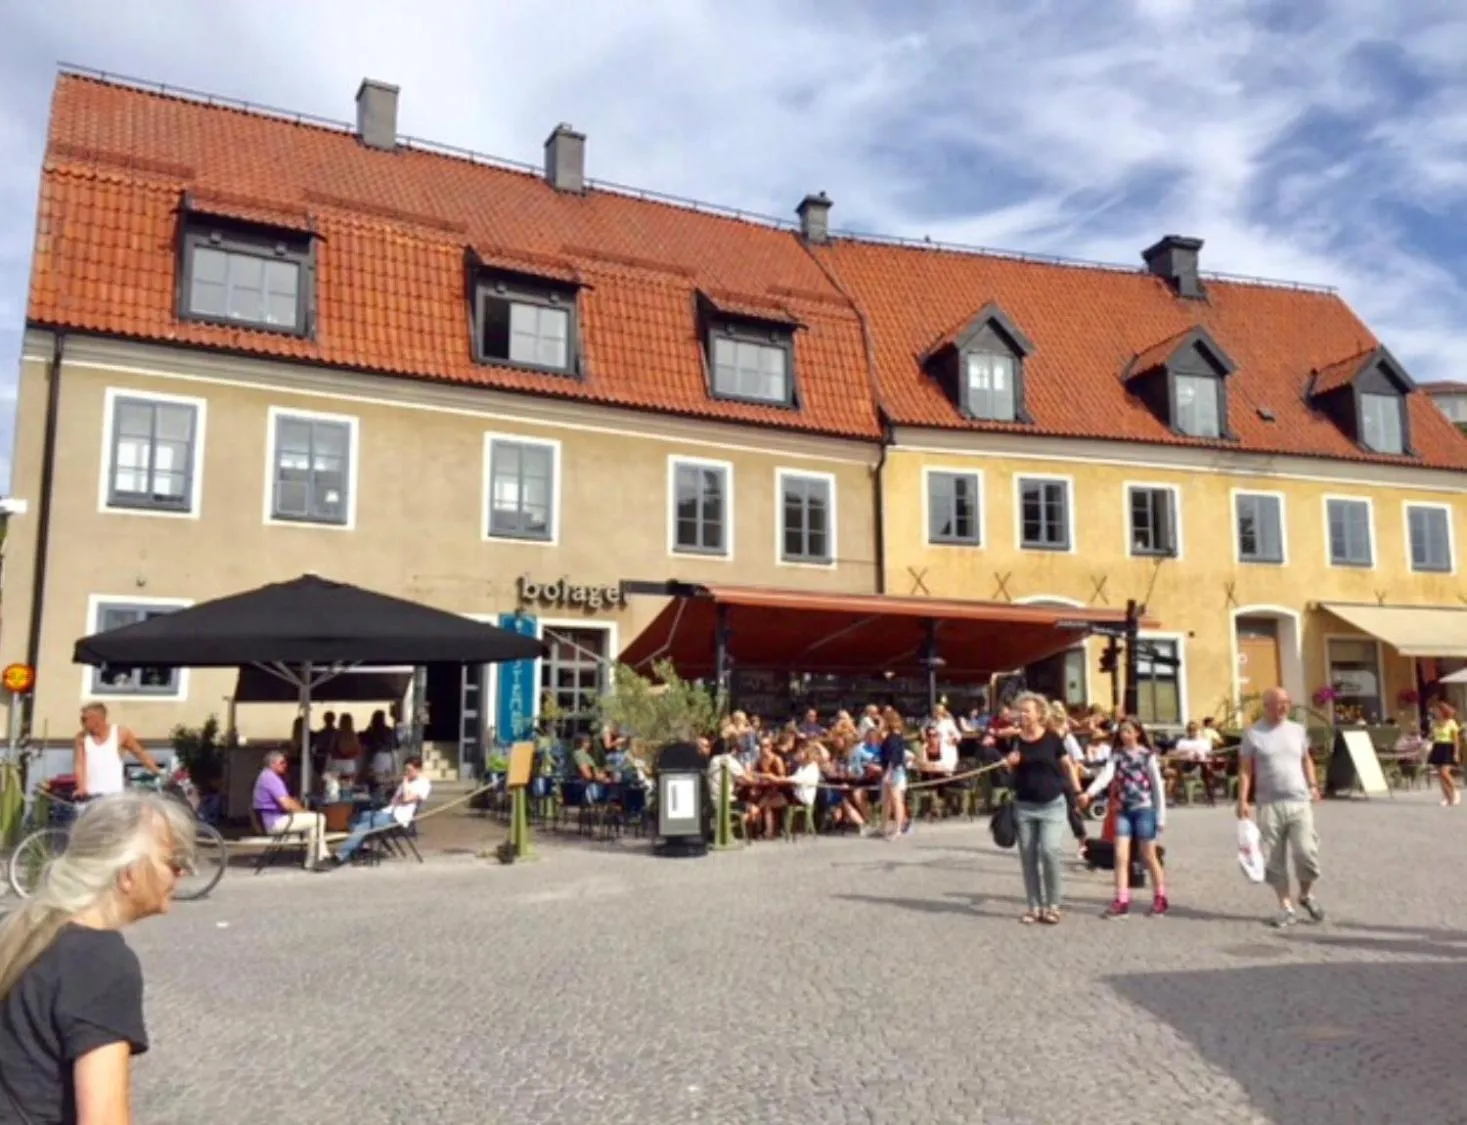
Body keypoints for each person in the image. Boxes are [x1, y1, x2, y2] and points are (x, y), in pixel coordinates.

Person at [0, 791, 195, 1124]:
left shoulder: (22, 928)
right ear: (129, 873)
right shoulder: (100, 962)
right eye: (174, 863)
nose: (181, 875)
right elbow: (103, 1117)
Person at [1238, 686, 1324, 928]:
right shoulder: (1253, 734)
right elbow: (1245, 770)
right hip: (1269, 804)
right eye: (1279, 703)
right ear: (1266, 706)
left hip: (1299, 801)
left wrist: (1313, 784)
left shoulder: (1297, 730)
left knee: (1307, 853)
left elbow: (1306, 759)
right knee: (1274, 858)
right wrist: (1242, 800)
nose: (1285, 706)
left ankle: (1305, 894)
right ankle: (1286, 907)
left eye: (1287, 701)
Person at [1079, 717, 1168, 918]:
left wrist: (1161, 817)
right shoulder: (1117, 755)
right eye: (1122, 731)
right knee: (1120, 856)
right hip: (1123, 810)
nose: (1124, 734)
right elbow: (1105, 776)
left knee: (1148, 855)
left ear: (1137, 733)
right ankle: (1121, 899)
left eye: (1128, 731)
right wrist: (1089, 793)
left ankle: (1160, 896)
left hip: (1144, 809)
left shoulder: (1147, 756)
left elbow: (1157, 787)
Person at [1004, 692, 1080, 925]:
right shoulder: (1016, 740)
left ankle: (1053, 904)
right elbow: (1012, 772)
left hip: (1052, 805)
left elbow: (1067, 764)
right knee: (1028, 856)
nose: (1023, 715)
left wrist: (1078, 791)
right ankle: (1034, 906)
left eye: (1027, 711)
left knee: (1049, 851)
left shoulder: (1052, 737)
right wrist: (1010, 765)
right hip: (1024, 805)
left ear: (1039, 713)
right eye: (1020, 711)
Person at [330, 757, 432, 866]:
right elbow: (394, 800)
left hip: (398, 817)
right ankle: (359, 847)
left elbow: (407, 798)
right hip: (388, 811)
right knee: (354, 818)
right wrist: (401, 798)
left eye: (409, 770)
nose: (406, 773)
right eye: (405, 770)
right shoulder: (406, 783)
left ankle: (340, 856)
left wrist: (405, 784)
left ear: (418, 770)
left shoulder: (423, 784)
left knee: (363, 827)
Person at [252, 750, 330, 870]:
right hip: (275, 822)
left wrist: (297, 806)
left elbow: (287, 800)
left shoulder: (265, 776)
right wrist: (304, 812)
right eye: (282, 763)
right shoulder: (271, 778)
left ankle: (315, 859)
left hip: (271, 819)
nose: (285, 765)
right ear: (272, 764)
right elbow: (287, 804)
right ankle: (318, 858)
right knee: (319, 818)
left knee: (314, 822)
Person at [73, 703, 163, 800]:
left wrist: (157, 771)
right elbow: (80, 764)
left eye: (84, 719)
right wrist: (81, 787)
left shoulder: (120, 733)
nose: (81, 722)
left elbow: (139, 753)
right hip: (91, 795)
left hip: (115, 796)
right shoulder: (82, 738)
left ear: (97, 720)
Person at [1427, 699, 1461, 807]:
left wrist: (1456, 753)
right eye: (1435, 711)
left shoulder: (1451, 723)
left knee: (1444, 772)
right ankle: (1446, 797)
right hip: (1438, 747)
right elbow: (1433, 737)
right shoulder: (1434, 723)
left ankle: (1455, 791)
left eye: (1437, 710)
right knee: (1440, 775)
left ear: (1443, 711)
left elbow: (1456, 740)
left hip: (1448, 747)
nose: (1435, 712)